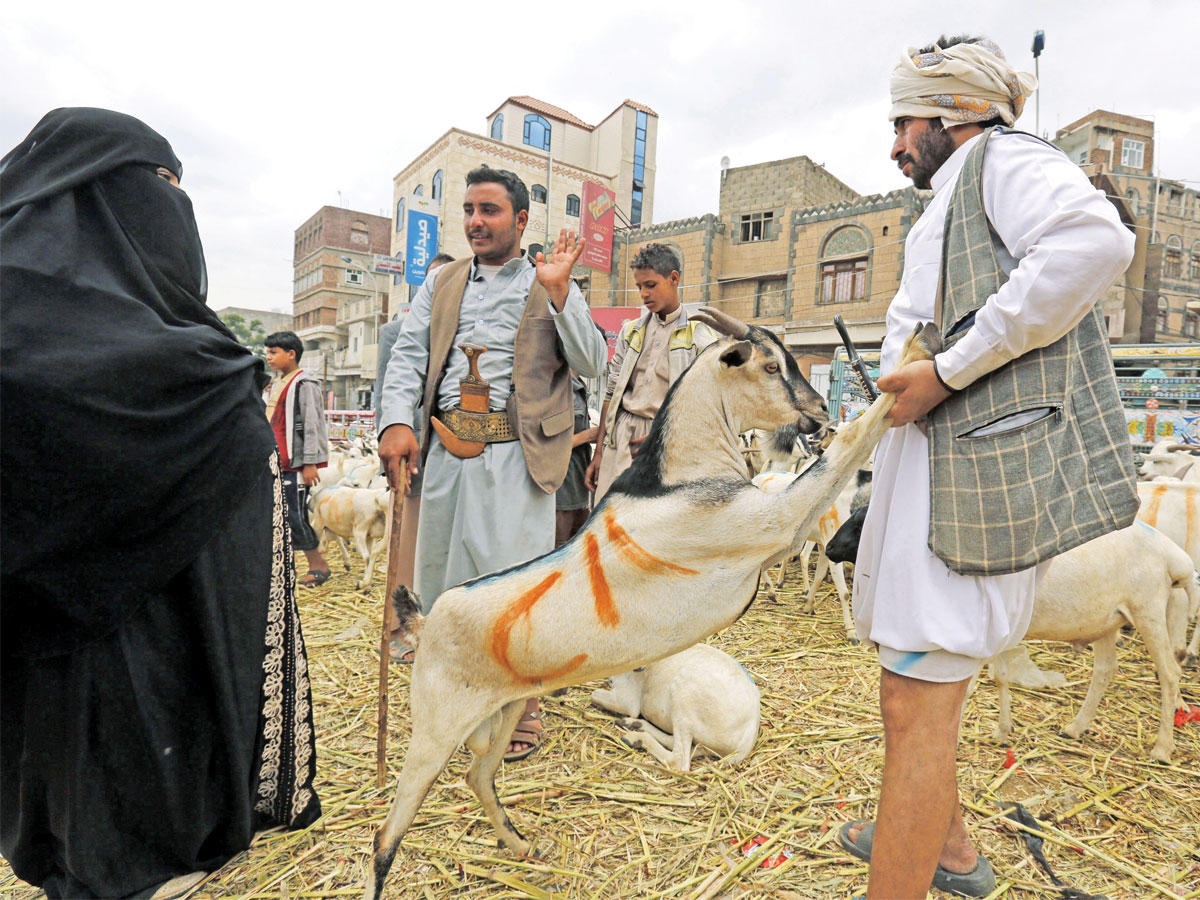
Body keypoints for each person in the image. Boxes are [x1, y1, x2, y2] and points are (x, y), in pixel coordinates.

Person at [836, 38, 1137, 899]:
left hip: (968, 478)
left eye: (904, 122)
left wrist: (950, 368)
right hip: (932, 470)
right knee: (916, 691)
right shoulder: (958, 191)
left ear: (953, 113)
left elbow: (1094, 244)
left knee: (917, 701)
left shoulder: (1006, 159)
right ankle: (952, 846)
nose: (896, 145)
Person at [0, 108, 320, 899]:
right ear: (95, 198)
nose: (177, 211)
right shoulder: (194, 370)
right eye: (163, 186)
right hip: (143, 684)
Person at [378, 165, 607, 760]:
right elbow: (408, 354)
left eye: (491, 211)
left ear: (521, 219)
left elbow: (590, 362)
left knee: (512, 585)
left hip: (518, 459)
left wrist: (560, 293)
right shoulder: (443, 281)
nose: (477, 222)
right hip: (447, 453)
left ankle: (521, 707)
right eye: (470, 211)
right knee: (444, 583)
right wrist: (397, 421)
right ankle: (456, 696)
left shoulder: (550, 279)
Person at [585, 243, 715, 501]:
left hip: (666, 446)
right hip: (620, 441)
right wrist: (599, 452)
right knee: (609, 523)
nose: (644, 294)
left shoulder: (700, 338)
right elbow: (611, 394)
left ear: (674, 279)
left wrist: (663, 440)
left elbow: (705, 409)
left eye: (651, 285)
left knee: (651, 528)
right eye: (639, 287)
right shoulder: (630, 331)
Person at [374, 253, 455, 661]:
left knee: (438, 550)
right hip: (409, 458)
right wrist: (388, 436)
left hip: (451, 458)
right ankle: (399, 631)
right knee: (405, 547)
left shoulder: (460, 327)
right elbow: (384, 391)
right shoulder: (395, 332)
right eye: (432, 280)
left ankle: (438, 631)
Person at [264, 331, 332, 588]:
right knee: (277, 516)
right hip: (276, 461)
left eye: (274, 352)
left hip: (294, 464)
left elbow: (312, 425)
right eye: (268, 352)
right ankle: (283, 566)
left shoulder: (304, 384)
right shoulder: (278, 383)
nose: (268, 357)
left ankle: (318, 565)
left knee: (295, 515)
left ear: (291, 354)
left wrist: (310, 463)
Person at [555, 372, 599, 546]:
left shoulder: (579, 385)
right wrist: (587, 436)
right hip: (560, 498)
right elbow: (545, 446)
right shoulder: (558, 388)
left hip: (579, 493)